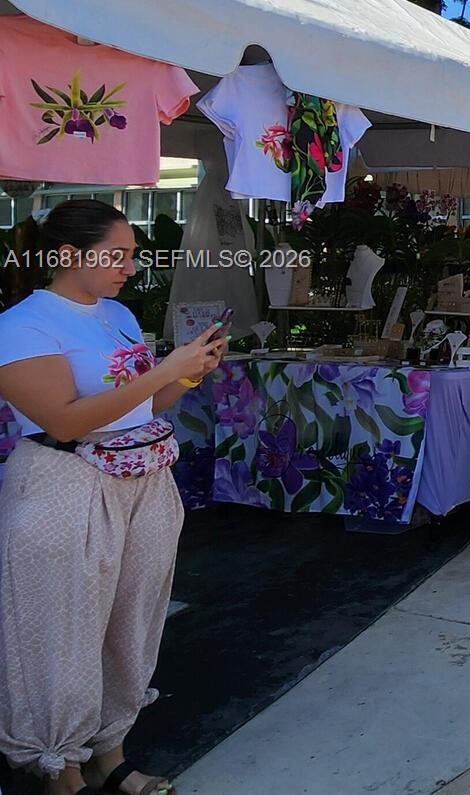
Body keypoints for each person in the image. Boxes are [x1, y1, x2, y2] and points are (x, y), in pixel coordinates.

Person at [0, 201, 227, 795]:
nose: (130, 266)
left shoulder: (118, 314)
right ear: (70, 256)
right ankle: (61, 770)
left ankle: (110, 754)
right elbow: (63, 421)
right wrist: (162, 371)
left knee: (132, 623)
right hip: (65, 487)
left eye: (131, 254)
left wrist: (189, 373)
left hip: (143, 481)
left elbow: (144, 405)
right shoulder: (22, 325)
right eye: (117, 255)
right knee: (63, 631)